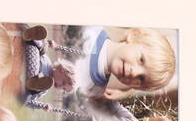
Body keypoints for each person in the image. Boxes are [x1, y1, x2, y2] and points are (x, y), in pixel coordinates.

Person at [49, 27, 177, 102]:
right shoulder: (90, 31)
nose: (135, 72)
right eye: (141, 59)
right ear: (134, 36)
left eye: (141, 79)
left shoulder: (96, 89)